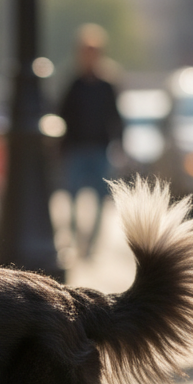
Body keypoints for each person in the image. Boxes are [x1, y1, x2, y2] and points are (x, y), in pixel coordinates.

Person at [58, 24, 122, 256]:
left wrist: (119, 144)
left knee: (100, 198)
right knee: (72, 197)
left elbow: (116, 116)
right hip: (75, 149)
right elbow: (61, 114)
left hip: (100, 148)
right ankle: (76, 239)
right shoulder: (73, 84)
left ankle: (91, 245)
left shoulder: (108, 84)